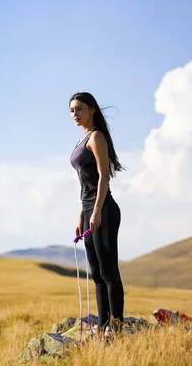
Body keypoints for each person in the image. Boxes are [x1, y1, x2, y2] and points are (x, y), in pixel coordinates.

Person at [68, 92, 125, 339]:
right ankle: (102, 326)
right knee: (97, 275)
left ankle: (117, 327)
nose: (75, 114)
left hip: (105, 210)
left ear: (92, 110)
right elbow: (85, 185)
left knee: (109, 271)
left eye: (79, 109)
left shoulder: (96, 137)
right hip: (90, 209)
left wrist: (98, 210)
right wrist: (82, 214)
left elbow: (104, 177)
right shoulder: (80, 141)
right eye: (72, 110)